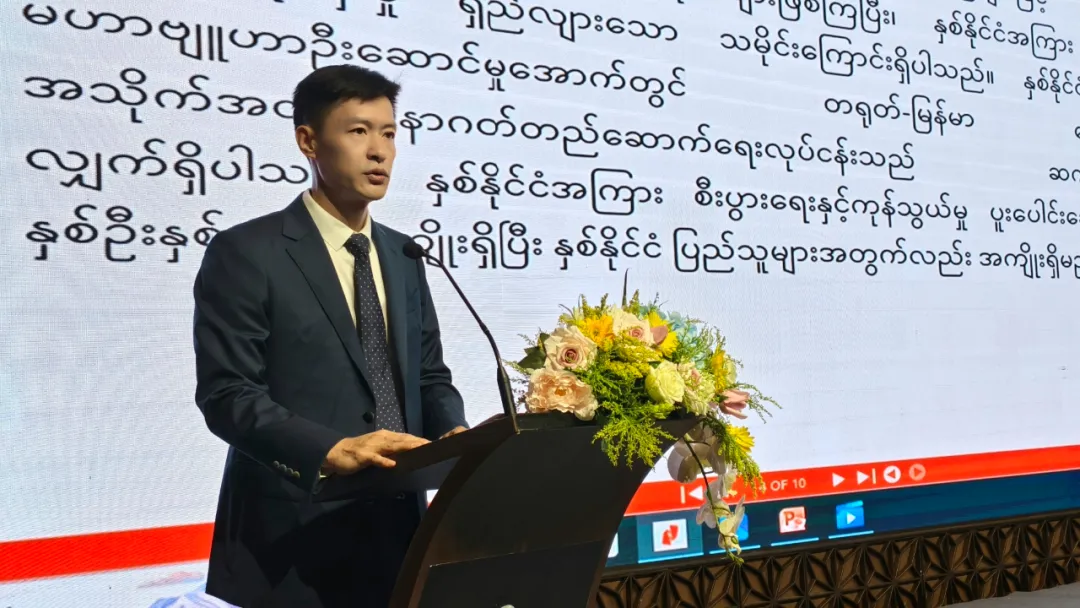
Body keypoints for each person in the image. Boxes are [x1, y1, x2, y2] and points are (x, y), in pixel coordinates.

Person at [192, 64, 469, 608]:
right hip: (290, 542)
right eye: (358, 131)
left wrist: (455, 432)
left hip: (399, 535)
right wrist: (330, 450)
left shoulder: (404, 254)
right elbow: (227, 395)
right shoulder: (247, 252)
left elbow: (429, 375)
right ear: (309, 142)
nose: (379, 151)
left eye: (389, 133)